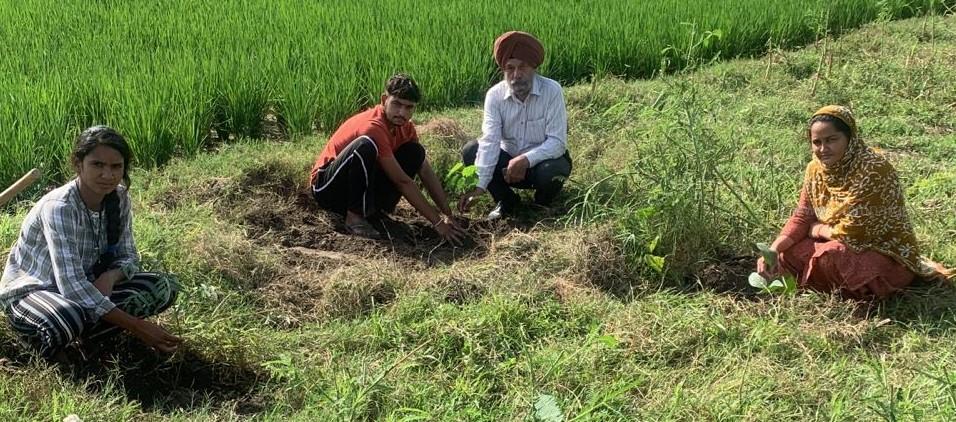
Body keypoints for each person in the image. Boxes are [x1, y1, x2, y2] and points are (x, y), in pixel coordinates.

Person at [1, 126, 181, 361]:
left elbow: (129, 256)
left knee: (162, 287)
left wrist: (110, 277)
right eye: (97, 165)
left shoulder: (119, 197)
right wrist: (137, 326)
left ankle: (87, 338)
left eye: (116, 166)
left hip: (89, 284)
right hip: (36, 290)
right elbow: (71, 285)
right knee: (68, 316)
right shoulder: (60, 207)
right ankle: (45, 343)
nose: (108, 175)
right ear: (78, 165)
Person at [757, 105, 953, 299]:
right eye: (817, 142)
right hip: (833, 240)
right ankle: (821, 284)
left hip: (880, 251)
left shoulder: (874, 170)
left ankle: (854, 291)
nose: (823, 149)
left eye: (832, 140)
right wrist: (773, 250)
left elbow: (853, 232)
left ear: (850, 138)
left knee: (832, 256)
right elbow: (803, 216)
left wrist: (817, 229)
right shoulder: (815, 169)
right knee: (786, 252)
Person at [310, 74, 466, 244]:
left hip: (359, 189)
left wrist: (447, 214)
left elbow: (425, 170)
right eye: (396, 104)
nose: (402, 113)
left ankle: (374, 212)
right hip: (328, 189)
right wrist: (438, 224)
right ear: (384, 100)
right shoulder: (373, 126)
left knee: (415, 152)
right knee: (365, 145)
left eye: (409, 107)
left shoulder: (406, 128)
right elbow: (402, 181)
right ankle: (354, 217)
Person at [458, 31, 572, 220]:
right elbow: (490, 141)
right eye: (510, 68)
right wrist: (479, 187)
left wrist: (525, 159)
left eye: (522, 67)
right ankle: (506, 200)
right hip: (506, 167)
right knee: (472, 150)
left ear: (534, 67)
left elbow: (557, 142)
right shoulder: (494, 96)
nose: (516, 75)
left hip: (540, 165)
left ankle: (542, 203)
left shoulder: (552, 91)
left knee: (551, 170)